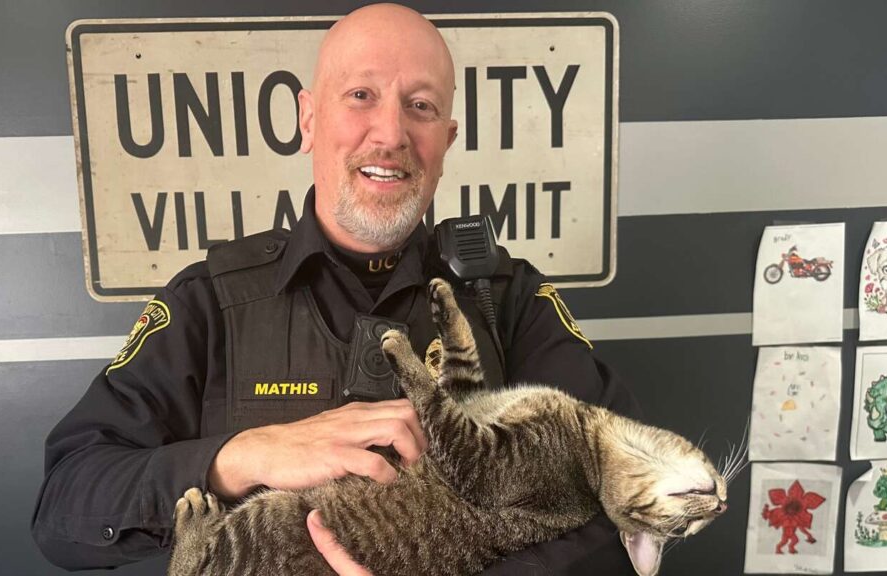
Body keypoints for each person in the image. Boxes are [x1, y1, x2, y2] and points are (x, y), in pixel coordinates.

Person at [32, 4, 639, 574]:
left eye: (420, 106)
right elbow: (65, 504)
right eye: (361, 96)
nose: (391, 133)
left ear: (446, 141)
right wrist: (242, 456)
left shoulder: (508, 300)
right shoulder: (210, 301)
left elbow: (627, 495)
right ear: (308, 119)